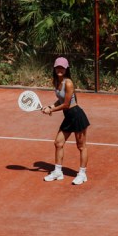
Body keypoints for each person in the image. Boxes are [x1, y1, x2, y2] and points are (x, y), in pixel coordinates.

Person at [41, 56, 90, 185]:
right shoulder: (56, 81)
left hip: (76, 115)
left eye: (62, 67)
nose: (60, 69)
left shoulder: (68, 83)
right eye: (58, 67)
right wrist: (50, 106)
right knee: (58, 143)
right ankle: (58, 172)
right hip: (68, 116)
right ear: (54, 68)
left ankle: (82, 174)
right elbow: (60, 100)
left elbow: (67, 104)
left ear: (66, 69)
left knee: (81, 146)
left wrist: (51, 110)